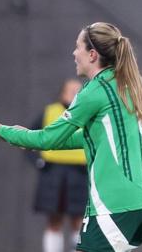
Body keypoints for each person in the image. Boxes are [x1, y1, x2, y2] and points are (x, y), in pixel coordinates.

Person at [0, 22, 142, 252]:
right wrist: (17, 133)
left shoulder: (94, 90)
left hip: (116, 203)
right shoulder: (127, 86)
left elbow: (47, 140)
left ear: (92, 55)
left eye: (78, 47)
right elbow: (88, 138)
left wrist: (2, 130)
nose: (74, 53)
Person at [29, 79, 88, 252]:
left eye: (78, 91)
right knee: (54, 219)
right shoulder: (49, 112)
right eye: (70, 91)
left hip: (80, 173)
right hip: (53, 174)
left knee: (79, 220)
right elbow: (30, 137)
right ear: (62, 93)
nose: (74, 94)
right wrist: (39, 162)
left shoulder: (88, 113)